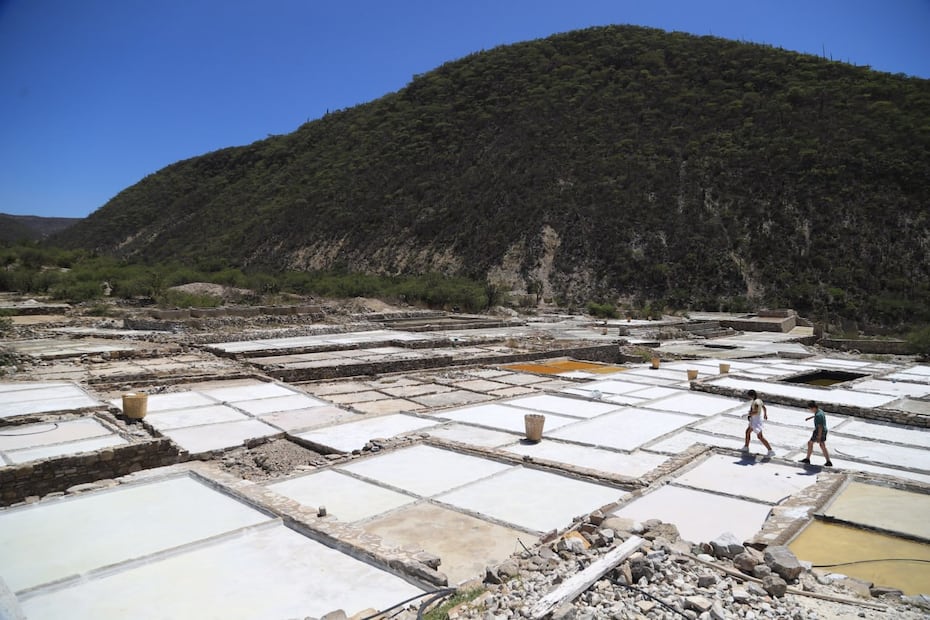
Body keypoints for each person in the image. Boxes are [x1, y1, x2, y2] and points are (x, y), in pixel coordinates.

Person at [742, 389, 775, 456]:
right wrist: (765, 414)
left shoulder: (756, 403)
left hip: (756, 420)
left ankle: (770, 450)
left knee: (760, 437)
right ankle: (746, 447)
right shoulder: (759, 400)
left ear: (752, 395)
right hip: (755, 419)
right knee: (748, 432)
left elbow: (756, 412)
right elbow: (764, 408)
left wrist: (748, 414)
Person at [800, 401, 832, 466]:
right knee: (822, 445)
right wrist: (810, 417)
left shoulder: (818, 415)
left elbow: (820, 426)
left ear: (813, 408)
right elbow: (817, 415)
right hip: (824, 430)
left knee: (810, 443)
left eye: (810, 409)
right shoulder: (820, 411)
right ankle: (828, 461)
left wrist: (819, 437)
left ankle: (807, 459)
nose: (810, 410)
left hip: (819, 431)